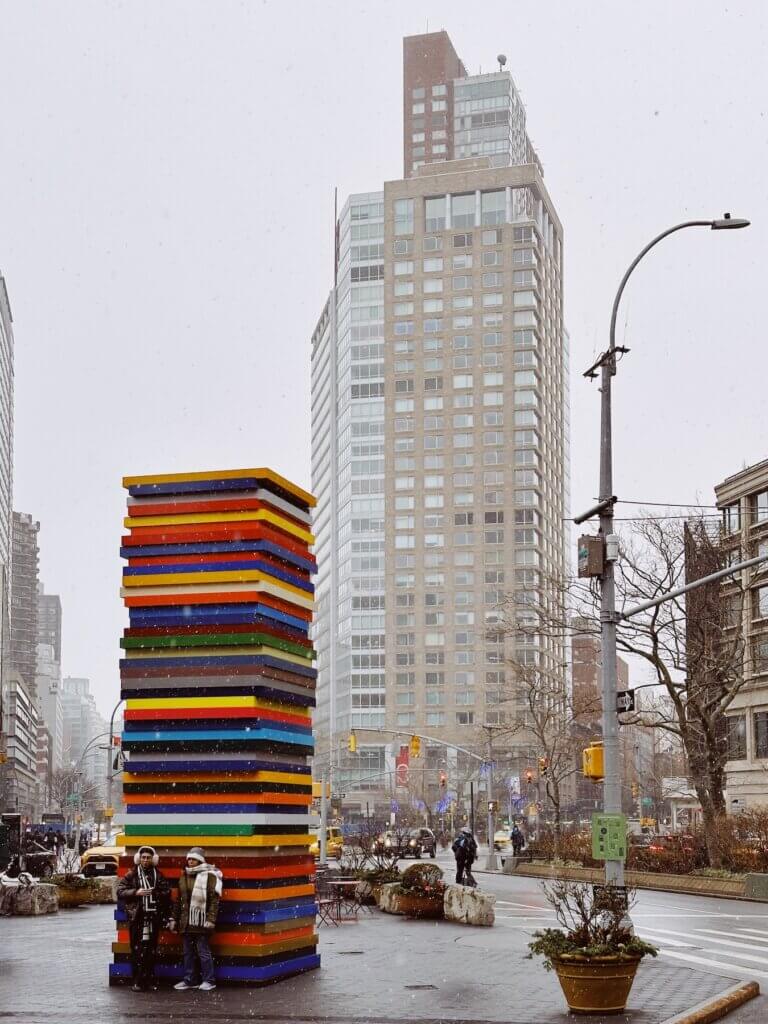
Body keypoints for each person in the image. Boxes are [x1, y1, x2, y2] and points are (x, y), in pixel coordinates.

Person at [117, 845, 173, 992]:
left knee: (150, 950)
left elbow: (166, 892)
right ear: (138, 859)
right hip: (137, 917)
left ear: (153, 859)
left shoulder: (158, 875)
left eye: (148, 857)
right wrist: (136, 892)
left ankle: (149, 980)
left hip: (152, 917)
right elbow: (120, 891)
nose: (145, 860)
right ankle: (137, 981)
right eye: (143, 857)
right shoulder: (132, 874)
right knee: (136, 950)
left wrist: (154, 893)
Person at [171, 846, 222, 992]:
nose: (191, 861)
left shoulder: (210, 875)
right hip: (186, 921)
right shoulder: (184, 875)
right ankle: (190, 980)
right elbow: (179, 900)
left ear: (200, 860)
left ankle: (209, 980)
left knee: (203, 952)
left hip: (201, 921)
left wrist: (211, 919)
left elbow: (214, 900)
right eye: (189, 859)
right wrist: (173, 918)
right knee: (188, 953)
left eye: (194, 859)